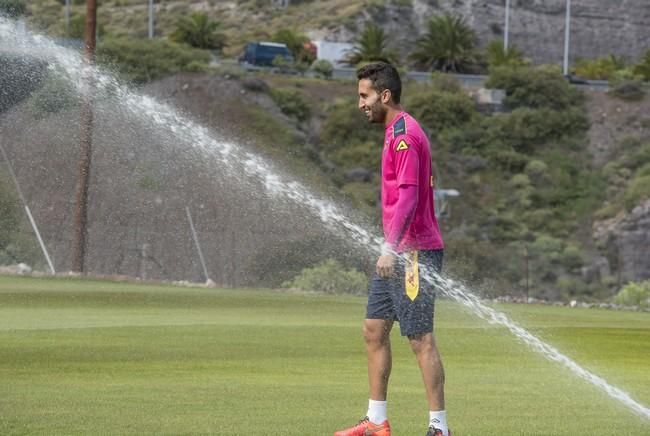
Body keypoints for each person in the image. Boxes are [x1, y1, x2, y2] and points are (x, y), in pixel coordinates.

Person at [334, 62, 448, 436]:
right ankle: (377, 422)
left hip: (412, 252)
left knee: (419, 338)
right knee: (373, 330)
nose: (360, 104)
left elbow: (409, 197)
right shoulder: (392, 132)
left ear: (384, 95)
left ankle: (439, 428)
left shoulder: (404, 134)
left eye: (364, 96)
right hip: (397, 251)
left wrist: (390, 247)